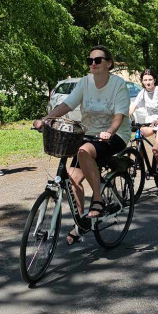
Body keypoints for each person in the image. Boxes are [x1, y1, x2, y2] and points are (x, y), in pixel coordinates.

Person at [34, 45, 131, 246]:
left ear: (109, 63)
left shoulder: (118, 85)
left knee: (84, 151)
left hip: (115, 135)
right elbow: (67, 104)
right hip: (89, 134)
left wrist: (110, 132)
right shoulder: (84, 83)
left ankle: (98, 199)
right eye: (90, 61)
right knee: (71, 176)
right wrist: (46, 119)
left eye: (98, 60)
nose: (93, 64)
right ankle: (81, 222)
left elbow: (119, 116)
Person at [129, 69, 158, 188]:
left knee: (155, 149)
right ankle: (140, 159)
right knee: (138, 134)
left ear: (154, 80)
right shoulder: (142, 92)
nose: (148, 82)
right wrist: (126, 117)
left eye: (150, 80)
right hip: (149, 121)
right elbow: (134, 105)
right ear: (142, 81)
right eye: (145, 80)